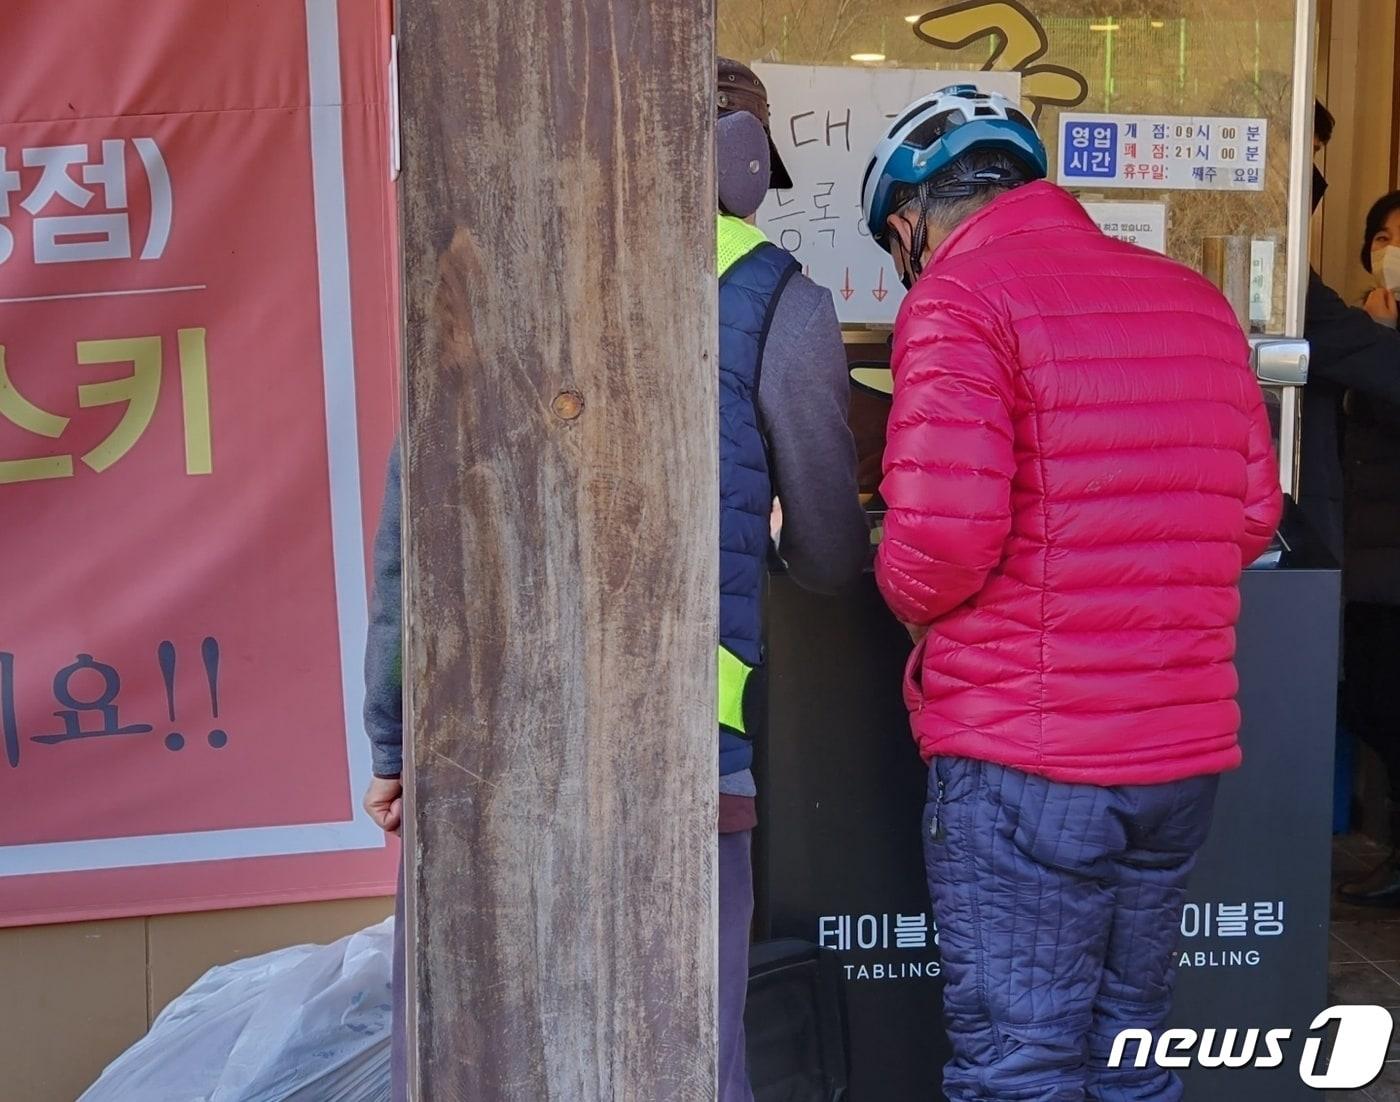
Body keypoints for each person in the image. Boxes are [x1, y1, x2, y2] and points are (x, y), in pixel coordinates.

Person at [362, 59, 869, 1102]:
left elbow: (411, 529)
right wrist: (770, 534)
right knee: (679, 1047)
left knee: (480, 1053)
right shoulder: (777, 296)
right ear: (736, 162)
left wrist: (389, 736)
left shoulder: (481, 265)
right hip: (683, 757)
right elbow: (828, 552)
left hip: (480, 743)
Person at [859, 85, 1281, 1100]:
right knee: (1130, 1048)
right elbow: (1250, 515)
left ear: (910, 222)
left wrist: (902, 591)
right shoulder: (1193, 300)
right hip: (1174, 757)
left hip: (1026, 758)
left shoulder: (958, 301)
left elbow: (938, 543)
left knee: (1019, 1065)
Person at [1334, 189, 1400, 905]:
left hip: (1391, 563)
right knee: (1370, 704)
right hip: (1366, 560)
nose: (1389, 251)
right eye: (1381, 237)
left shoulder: (1376, 338)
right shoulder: (1360, 326)